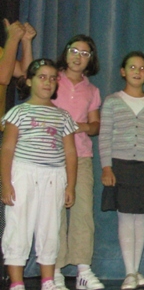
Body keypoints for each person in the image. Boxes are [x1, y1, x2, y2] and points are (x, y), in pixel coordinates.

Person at [1, 59, 77, 290]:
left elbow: (70, 152)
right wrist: (6, 184)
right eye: (42, 77)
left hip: (53, 176)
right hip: (23, 173)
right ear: (29, 81)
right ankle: (16, 282)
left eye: (53, 78)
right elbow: (7, 148)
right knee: (18, 226)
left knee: (50, 228)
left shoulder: (63, 116)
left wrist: (70, 185)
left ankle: (48, 280)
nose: (48, 82)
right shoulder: (18, 112)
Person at [99, 52, 144, 289]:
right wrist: (107, 167)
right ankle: (129, 272)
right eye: (132, 67)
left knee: (141, 219)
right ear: (123, 71)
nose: (137, 72)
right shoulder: (112, 101)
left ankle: (136, 271)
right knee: (125, 217)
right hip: (121, 166)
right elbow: (104, 137)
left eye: (142, 68)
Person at [52, 35, 103, 290]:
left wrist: (80, 126)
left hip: (81, 156)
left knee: (83, 211)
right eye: (74, 51)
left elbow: (95, 126)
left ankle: (83, 269)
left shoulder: (92, 90)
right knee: (54, 212)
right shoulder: (52, 79)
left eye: (85, 54)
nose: (78, 57)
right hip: (50, 155)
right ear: (66, 52)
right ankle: (55, 270)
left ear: (90, 60)